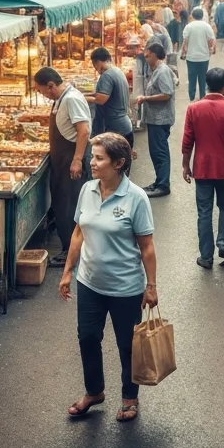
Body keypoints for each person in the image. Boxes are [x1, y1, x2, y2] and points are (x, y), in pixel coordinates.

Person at [59, 133, 159, 423]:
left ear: (119, 163)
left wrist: (151, 286)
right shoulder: (88, 190)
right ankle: (94, 391)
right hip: (89, 282)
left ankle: (130, 397)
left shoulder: (136, 198)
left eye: (99, 158)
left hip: (125, 287)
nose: (92, 162)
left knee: (127, 345)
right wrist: (67, 273)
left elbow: (147, 246)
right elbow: (78, 233)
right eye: (93, 156)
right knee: (88, 338)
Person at [182, 67, 224, 269]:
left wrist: (185, 165)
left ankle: (206, 256)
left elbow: (187, 140)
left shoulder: (194, 109)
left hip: (203, 168)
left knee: (204, 211)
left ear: (206, 84)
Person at [33, 67, 92, 267]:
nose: (42, 94)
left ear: (50, 85)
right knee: (62, 205)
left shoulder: (71, 99)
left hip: (70, 160)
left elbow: (83, 131)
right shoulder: (62, 99)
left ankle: (72, 254)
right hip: (62, 160)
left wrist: (77, 160)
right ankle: (69, 248)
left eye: (41, 90)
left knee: (70, 207)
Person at [134, 43, 177, 197]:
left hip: (160, 119)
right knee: (156, 151)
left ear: (154, 55)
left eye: (147, 55)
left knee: (160, 152)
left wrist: (145, 98)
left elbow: (166, 94)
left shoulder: (162, 71)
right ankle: (159, 181)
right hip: (154, 118)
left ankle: (163, 185)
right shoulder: (156, 70)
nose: (146, 58)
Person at [87, 47, 134, 151]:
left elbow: (101, 99)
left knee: (114, 163)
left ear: (97, 62)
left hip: (115, 128)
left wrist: (84, 98)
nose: (95, 68)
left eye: (94, 65)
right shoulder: (117, 71)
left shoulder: (106, 76)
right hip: (124, 125)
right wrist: (90, 94)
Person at [180, 6, 217, 102]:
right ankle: (202, 96)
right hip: (204, 57)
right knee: (203, 77)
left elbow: (185, 41)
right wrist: (211, 49)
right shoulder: (206, 26)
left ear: (192, 15)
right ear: (202, 15)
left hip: (191, 57)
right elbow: (211, 40)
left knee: (191, 77)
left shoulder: (188, 26)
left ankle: (192, 97)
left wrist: (183, 52)